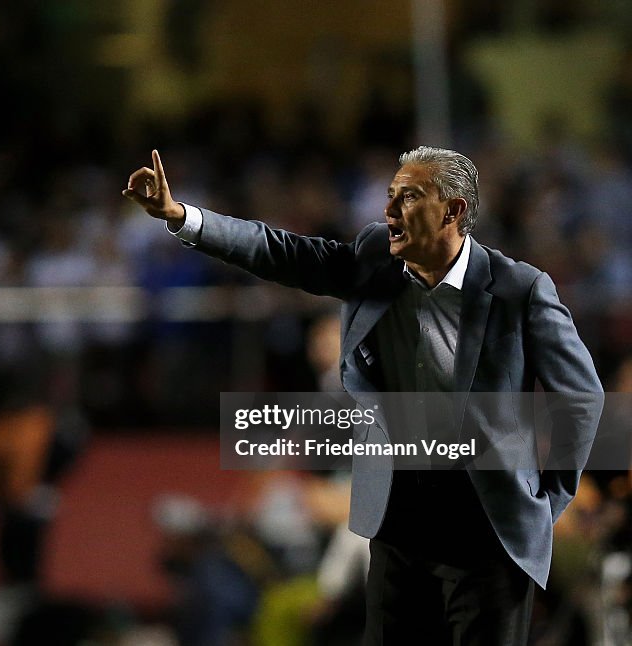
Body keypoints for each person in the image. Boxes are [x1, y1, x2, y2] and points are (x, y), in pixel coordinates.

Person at [124, 147, 603, 644]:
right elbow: (283, 251)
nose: (390, 210)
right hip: (398, 522)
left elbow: (582, 397)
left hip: (488, 531)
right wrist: (182, 217)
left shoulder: (520, 289)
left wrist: (548, 500)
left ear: (453, 210)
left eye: (409, 197)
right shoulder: (375, 257)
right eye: (390, 196)